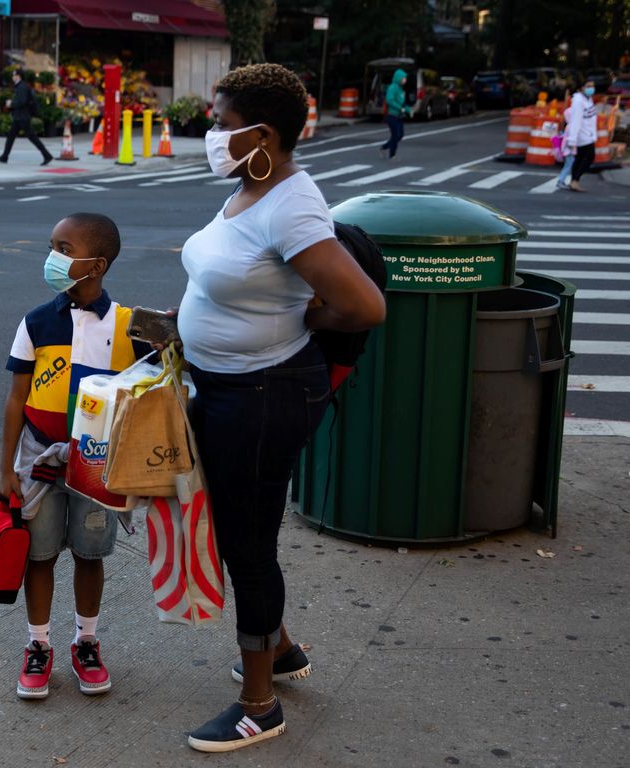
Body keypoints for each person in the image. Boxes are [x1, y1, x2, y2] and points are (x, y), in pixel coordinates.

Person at [176, 64, 385, 752]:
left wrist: (300, 322)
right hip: (228, 388)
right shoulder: (249, 188)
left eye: (222, 123)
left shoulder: (291, 205)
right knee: (234, 530)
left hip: (264, 397)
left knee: (249, 545)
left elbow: (362, 305)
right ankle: (283, 650)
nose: (213, 135)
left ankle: (259, 703)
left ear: (261, 134)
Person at [0, 213, 149, 700]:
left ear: (98, 263)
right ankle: (37, 646)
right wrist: (6, 470)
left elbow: (158, 384)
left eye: (65, 249)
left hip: (97, 467)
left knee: (90, 553)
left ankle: (86, 641)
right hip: (37, 460)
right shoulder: (37, 321)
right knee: (38, 556)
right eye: (52, 246)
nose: (53, 258)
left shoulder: (128, 326)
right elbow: (16, 399)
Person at [0, 69, 53, 166]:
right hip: (19, 117)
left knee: (32, 137)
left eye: (14, 75)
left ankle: (47, 155)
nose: (12, 77)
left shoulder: (22, 87)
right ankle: (5, 156)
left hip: (23, 117)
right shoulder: (20, 86)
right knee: (11, 136)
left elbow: (21, 101)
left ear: (18, 76)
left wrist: (11, 104)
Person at [564, 80, 598, 192]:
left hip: (588, 133)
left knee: (580, 158)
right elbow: (575, 121)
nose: (591, 89)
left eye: (592, 86)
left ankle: (574, 181)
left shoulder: (588, 99)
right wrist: (572, 139)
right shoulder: (579, 102)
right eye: (588, 86)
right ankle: (575, 180)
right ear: (581, 88)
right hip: (583, 135)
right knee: (589, 157)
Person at [380, 68, 411, 159]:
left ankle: (384, 147)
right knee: (395, 135)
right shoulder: (392, 87)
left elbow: (402, 102)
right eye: (403, 78)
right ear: (398, 78)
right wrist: (400, 108)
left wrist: (408, 110)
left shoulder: (401, 89)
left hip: (399, 116)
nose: (405, 80)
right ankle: (392, 155)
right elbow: (389, 100)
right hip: (392, 115)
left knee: (400, 135)